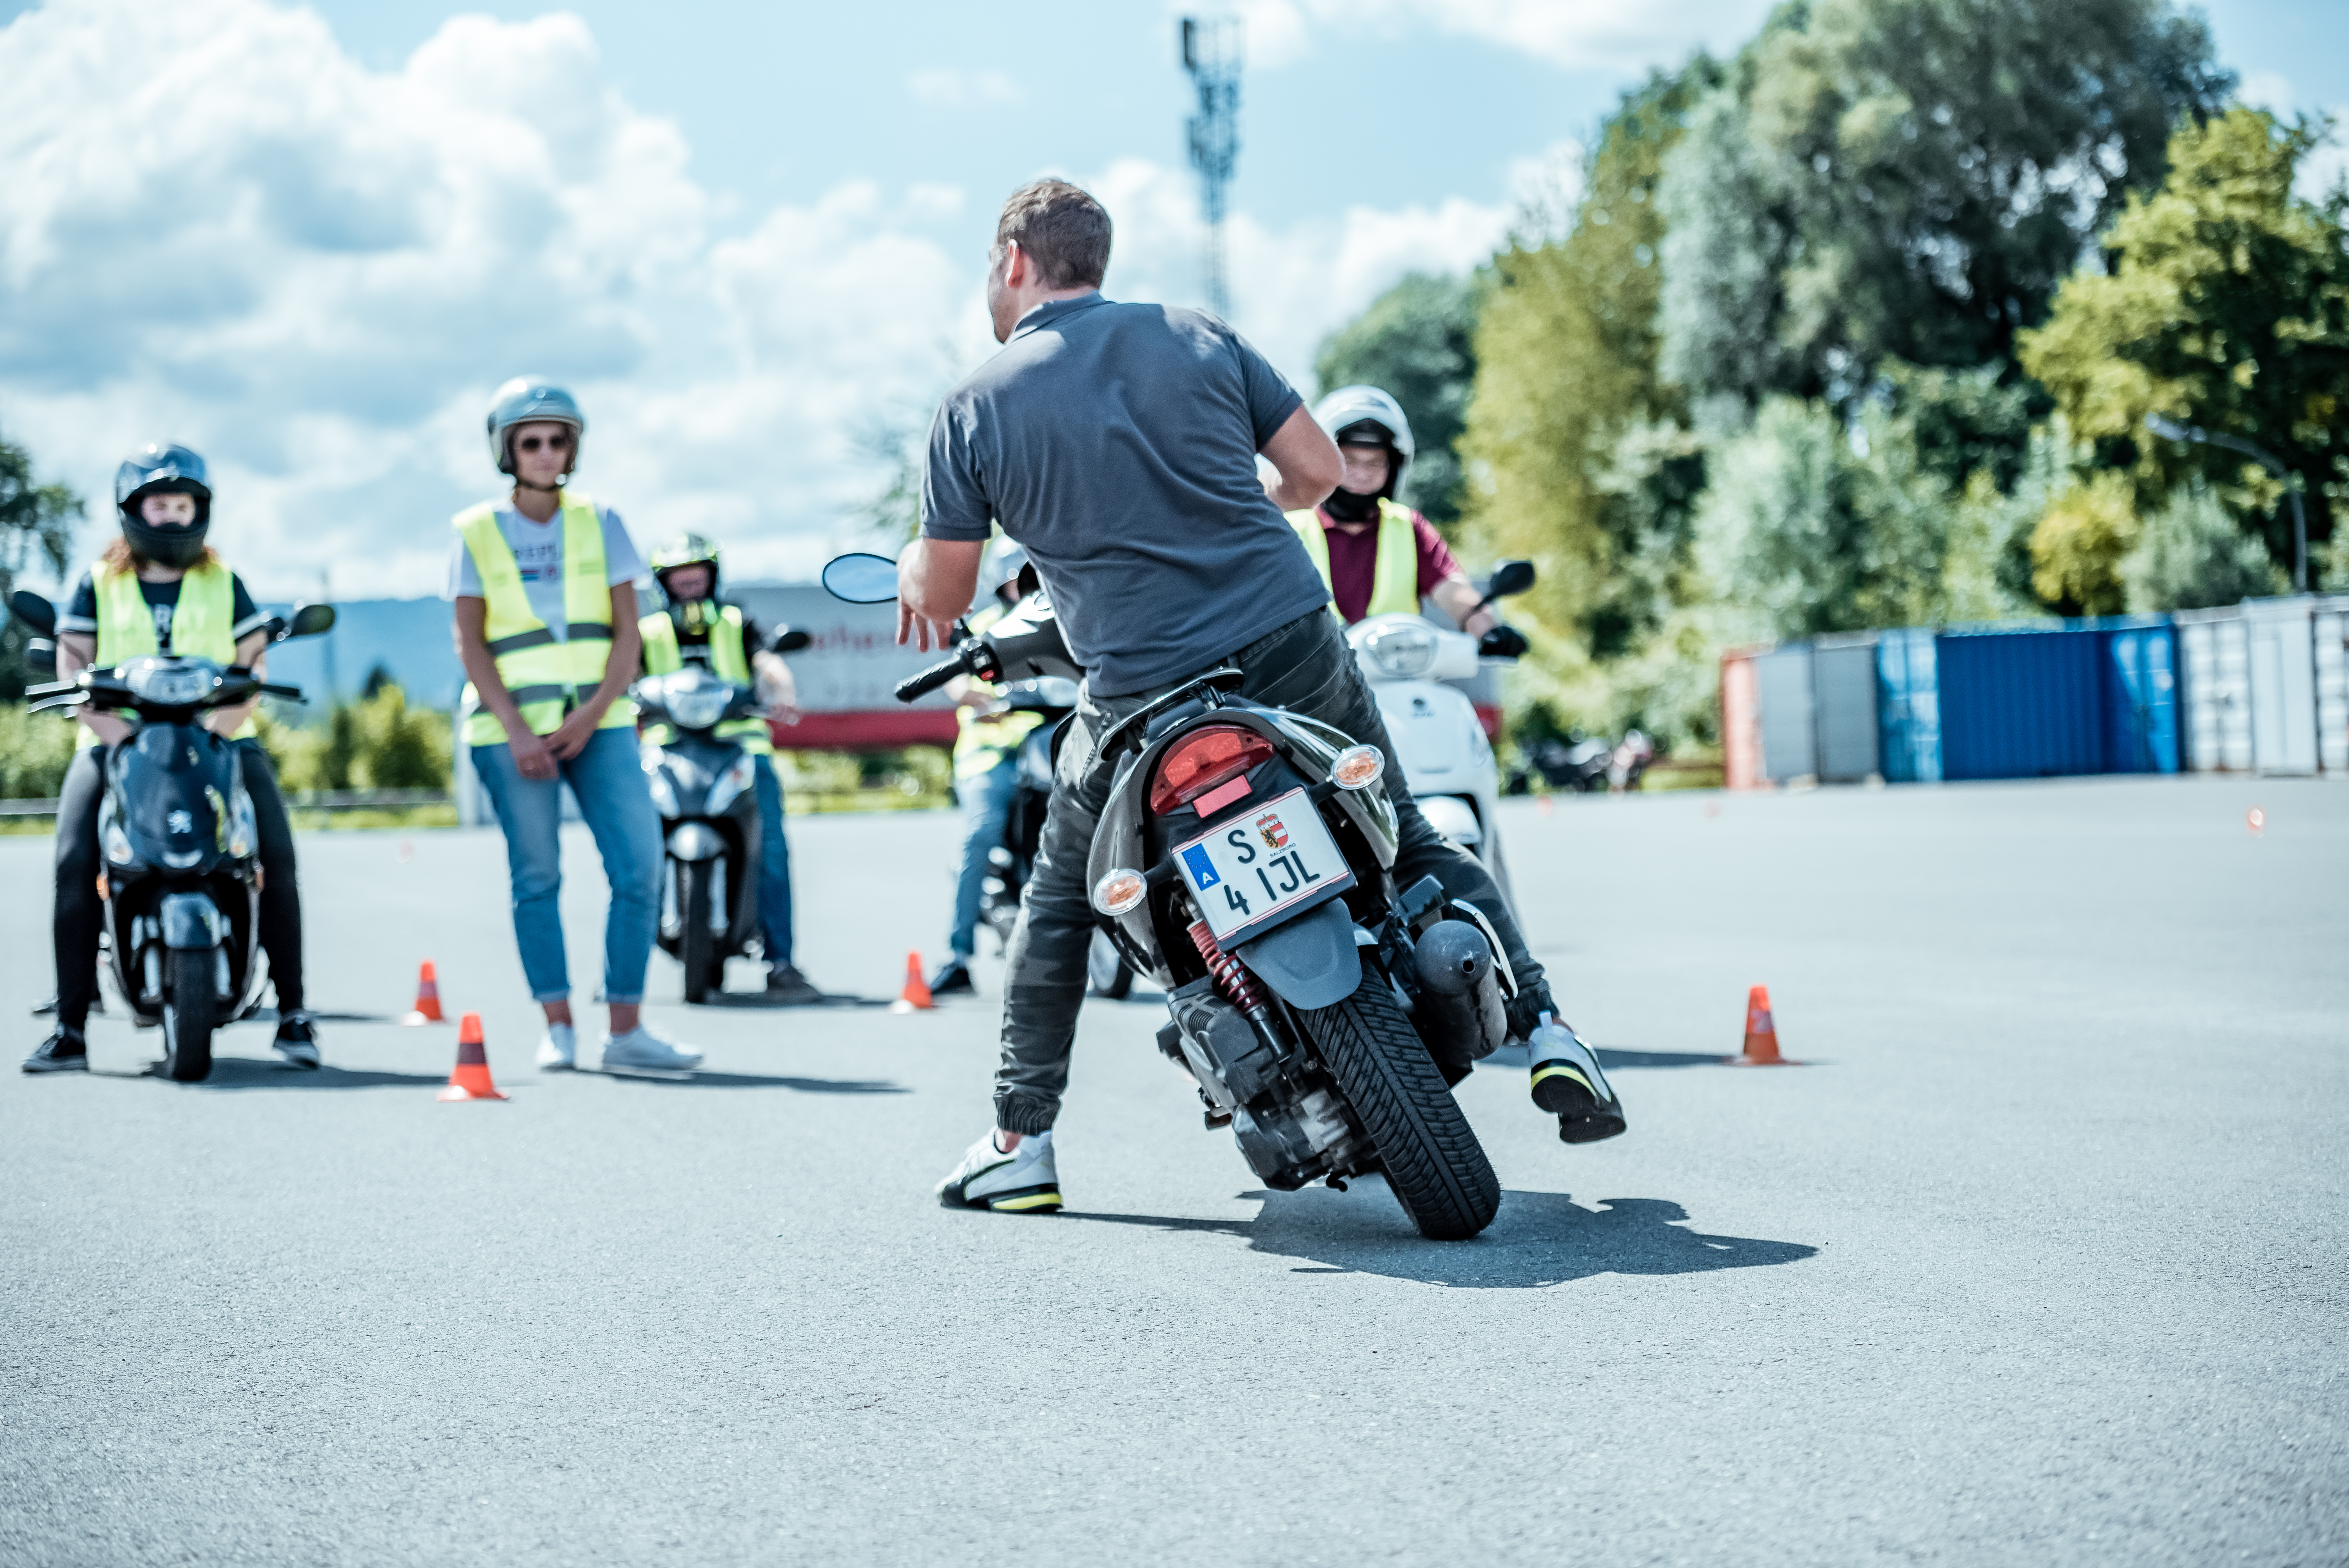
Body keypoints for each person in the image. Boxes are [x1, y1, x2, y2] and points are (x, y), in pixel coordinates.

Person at [906, 179, 1626, 1213]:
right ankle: (1551, 1027)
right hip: (1288, 649)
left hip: (1137, 694)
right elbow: (1316, 475)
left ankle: (1024, 1140)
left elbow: (943, 596)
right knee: (1410, 833)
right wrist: (1225, 502)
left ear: (1015, 262)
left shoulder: (975, 404)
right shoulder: (1198, 336)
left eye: (988, 266)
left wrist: (905, 570)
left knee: (1059, 904)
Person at [26, 444, 318, 1073]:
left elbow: (253, 662)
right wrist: (116, 735)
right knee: (75, 860)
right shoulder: (98, 580)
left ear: (201, 510)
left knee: (274, 854)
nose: (170, 515)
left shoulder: (225, 581)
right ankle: (70, 1027)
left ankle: (294, 1014)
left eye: (182, 503)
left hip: (218, 741)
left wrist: (217, 730)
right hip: (116, 744)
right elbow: (72, 658)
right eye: (158, 503)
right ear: (132, 511)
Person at [448, 379, 700, 1077]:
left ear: (572, 448)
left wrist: (591, 716)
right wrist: (520, 732)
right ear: (508, 450)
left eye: (557, 439)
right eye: (530, 441)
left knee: (640, 867)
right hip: (511, 736)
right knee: (537, 877)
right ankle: (556, 1025)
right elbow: (470, 645)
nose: (545, 452)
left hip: (602, 725)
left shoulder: (602, 520)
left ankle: (625, 1030)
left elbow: (628, 636)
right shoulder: (475, 531)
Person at [638, 532, 821, 1001]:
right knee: (633, 853)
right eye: (679, 577)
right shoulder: (648, 631)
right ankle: (622, 965)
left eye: (696, 574)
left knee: (772, 850)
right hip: (668, 750)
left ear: (712, 576)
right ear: (664, 582)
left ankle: (781, 961)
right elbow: (623, 676)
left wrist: (784, 693)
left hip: (739, 748)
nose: (689, 584)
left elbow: (770, 663)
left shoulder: (738, 623)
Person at [1285, 385, 1513, 640]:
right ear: (1323, 461)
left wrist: (1488, 629)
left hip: (1398, 673)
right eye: (1348, 461)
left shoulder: (1408, 526)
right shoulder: (1287, 529)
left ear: (1393, 468)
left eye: (1375, 462)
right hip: (1311, 678)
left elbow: (1452, 589)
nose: (1362, 474)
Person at [928, 542, 1045, 998]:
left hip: (1052, 743)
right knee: (981, 832)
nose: (1024, 585)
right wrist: (979, 699)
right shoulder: (982, 627)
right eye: (1016, 576)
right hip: (990, 753)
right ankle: (957, 956)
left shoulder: (1062, 618)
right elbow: (954, 678)